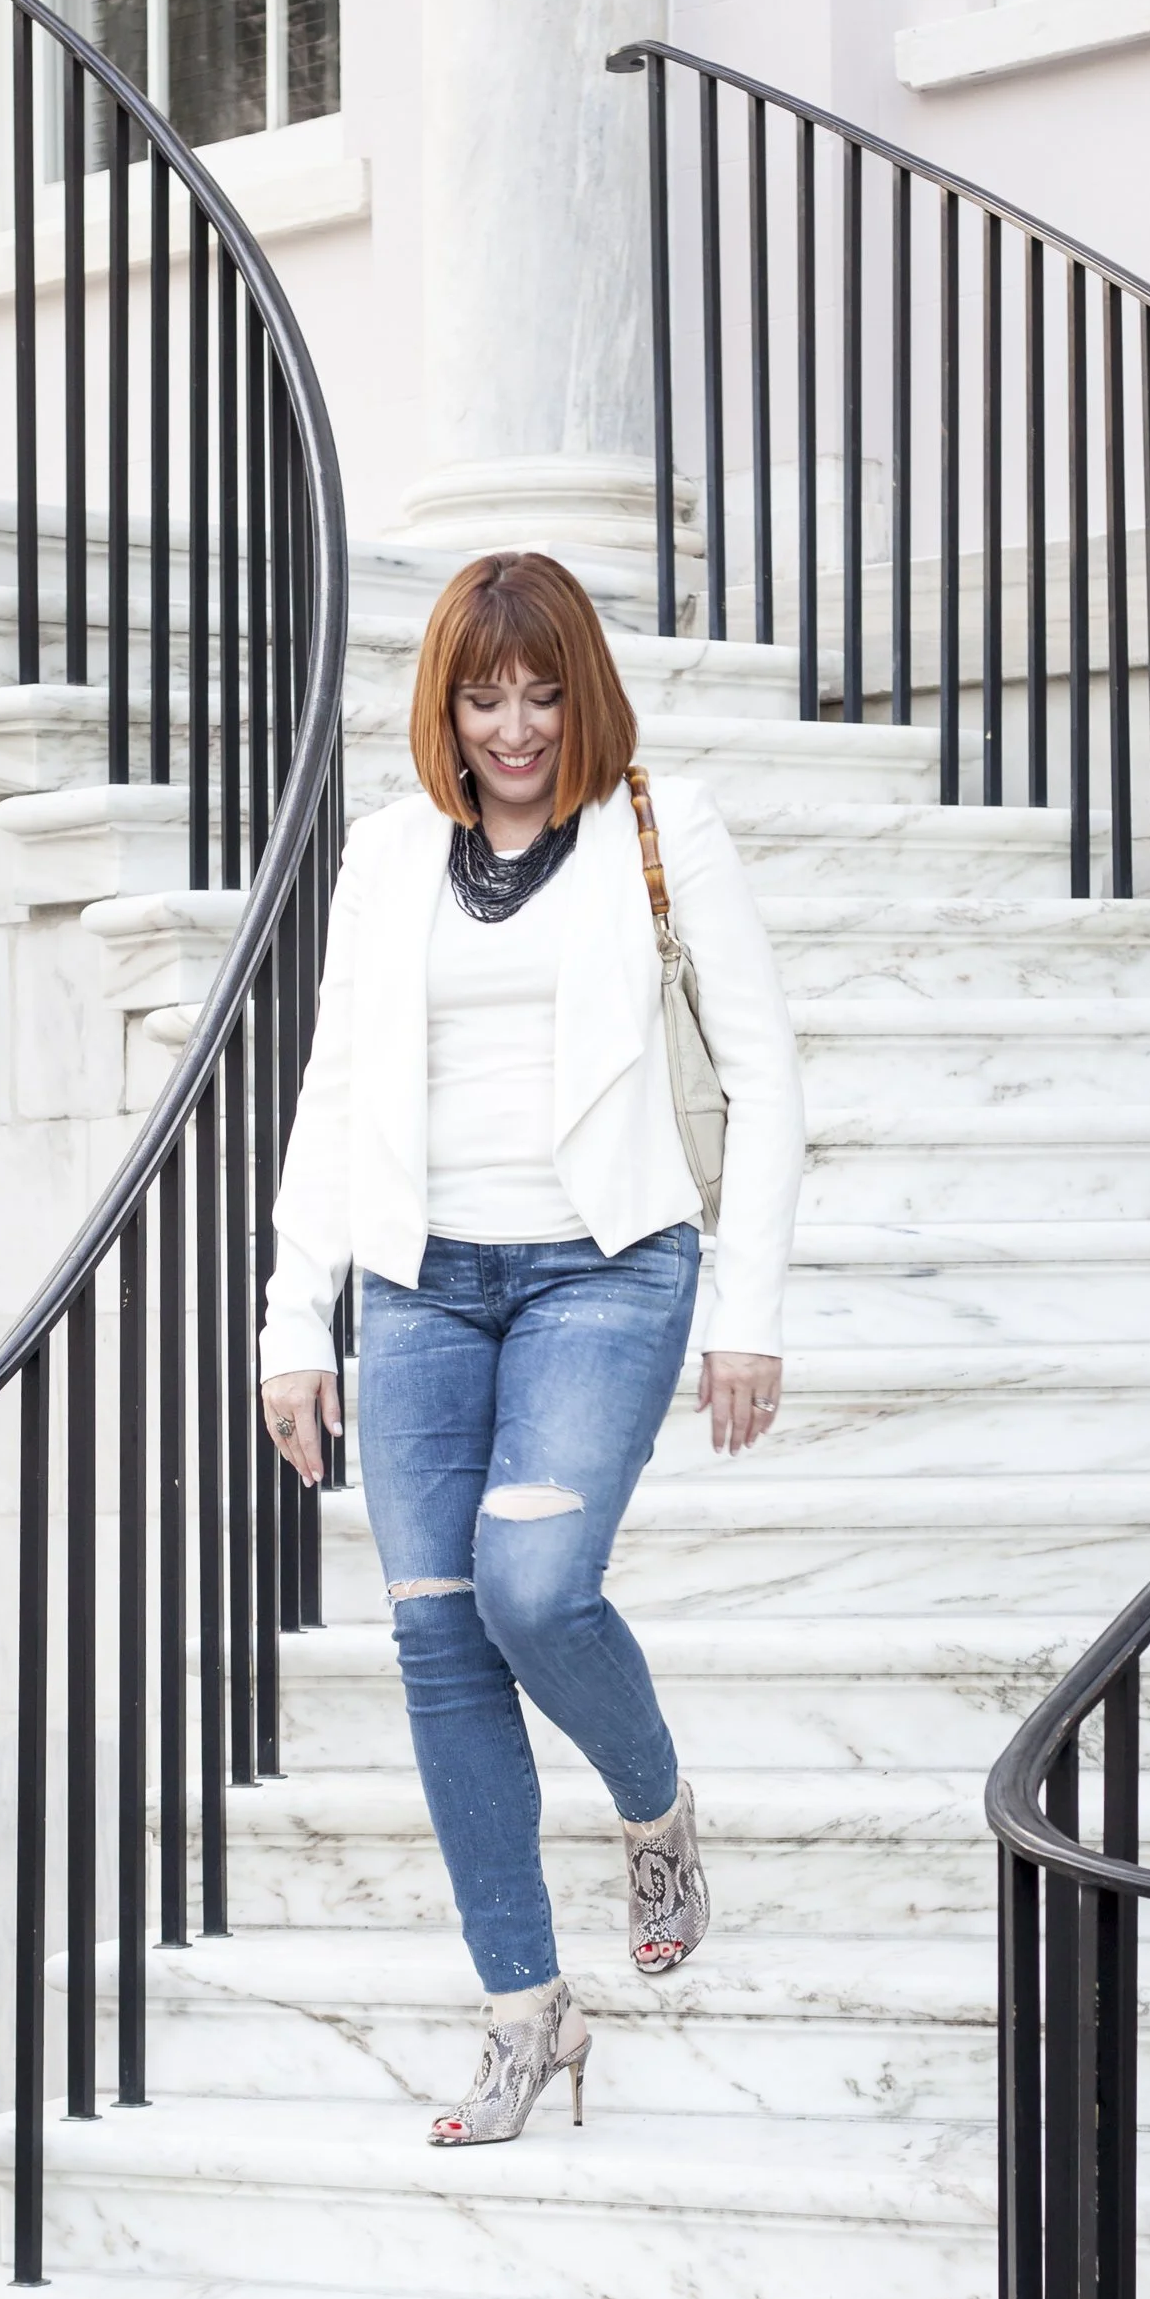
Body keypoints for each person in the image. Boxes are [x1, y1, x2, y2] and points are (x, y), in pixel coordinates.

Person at [257, 552, 804, 2149]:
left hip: (611, 1265)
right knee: (435, 1641)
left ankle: (654, 1805)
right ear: (445, 702)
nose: (513, 725)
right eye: (482, 694)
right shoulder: (385, 854)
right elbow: (336, 1092)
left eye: (543, 690)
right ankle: (524, 2015)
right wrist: (298, 1318)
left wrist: (748, 1310)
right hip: (423, 1280)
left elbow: (762, 1076)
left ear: (587, 692)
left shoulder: (659, 826)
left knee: (534, 1591)